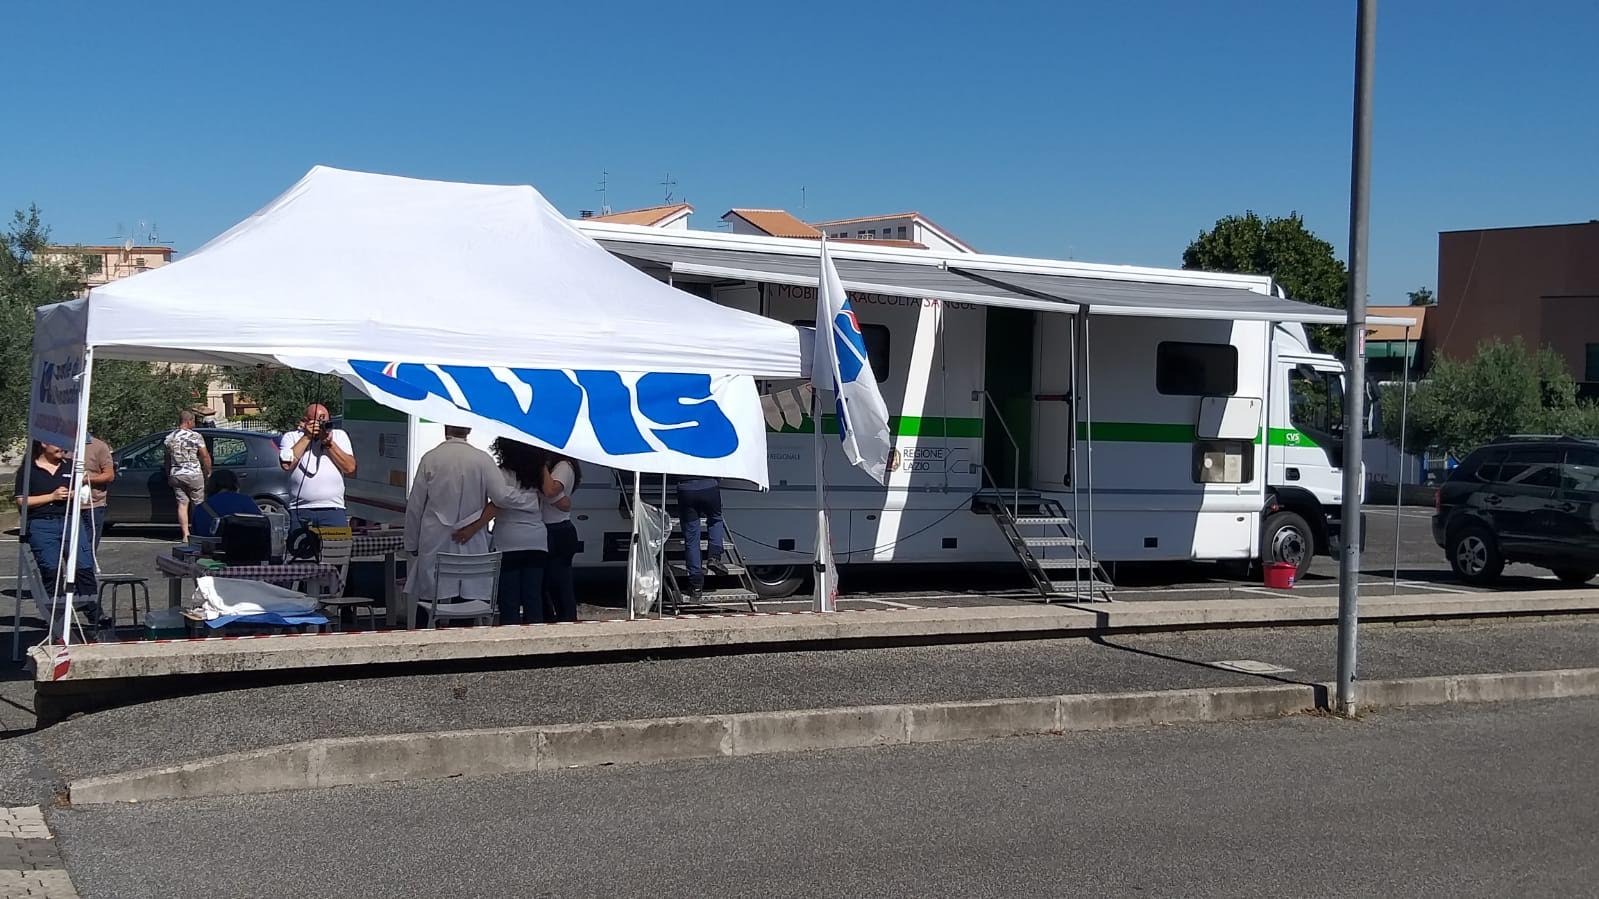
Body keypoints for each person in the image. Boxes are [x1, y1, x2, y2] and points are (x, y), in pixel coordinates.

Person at [404, 426, 514, 623]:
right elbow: (502, 498)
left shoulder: (431, 458)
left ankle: (422, 640)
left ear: (446, 428)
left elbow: (415, 505)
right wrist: (476, 525)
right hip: (471, 541)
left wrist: (411, 543)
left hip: (434, 539)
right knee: (467, 594)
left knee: (428, 594)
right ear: (470, 429)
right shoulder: (482, 459)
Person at [453, 438, 550, 625]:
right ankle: (538, 644)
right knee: (533, 597)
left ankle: (510, 644)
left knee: (509, 600)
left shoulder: (500, 473)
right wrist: (530, 501)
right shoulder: (538, 473)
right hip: (537, 540)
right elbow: (550, 492)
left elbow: (497, 504)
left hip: (508, 542)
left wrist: (473, 528)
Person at [13, 441, 97, 601]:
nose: (63, 449)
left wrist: (75, 493)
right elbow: (22, 501)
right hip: (42, 524)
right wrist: (52, 496)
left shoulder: (71, 467)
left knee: (83, 567)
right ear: (44, 444)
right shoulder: (28, 470)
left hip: (70, 521)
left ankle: (94, 612)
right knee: (51, 570)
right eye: (58, 445)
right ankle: (56, 614)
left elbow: (85, 493)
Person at [279, 403, 357, 530]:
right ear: (305, 421)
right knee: (300, 547)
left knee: (337, 548)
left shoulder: (339, 436)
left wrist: (329, 444)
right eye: (318, 422)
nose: (322, 426)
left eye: (325, 421)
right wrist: (307, 437)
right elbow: (286, 465)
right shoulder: (291, 437)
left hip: (333, 509)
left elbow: (350, 468)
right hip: (301, 510)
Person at [538, 449, 581, 623]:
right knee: (548, 583)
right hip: (554, 529)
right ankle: (558, 619)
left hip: (557, 530)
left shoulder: (563, 465)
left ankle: (566, 621)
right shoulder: (557, 466)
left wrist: (539, 464)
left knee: (559, 584)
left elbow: (550, 490)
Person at [674, 476, 729, 602]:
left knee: (691, 539)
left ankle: (696, 586)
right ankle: (714, 557)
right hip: (709, 486)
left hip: (686, 488)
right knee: (715, 520)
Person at [164, 411, 212, 543]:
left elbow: (167, 460)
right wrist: (208, 471)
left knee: (182, 504)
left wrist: (169, 474)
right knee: (198, 503)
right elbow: (205, 455)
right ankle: (198, 531)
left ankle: (185, 534)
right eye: (193, 421)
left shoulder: (169, 437)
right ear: (189, 421)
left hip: (177, 474)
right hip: (193, 473)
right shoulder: (196, 436)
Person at [191, 470, 264, 538]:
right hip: (246, 549)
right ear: (236, 484)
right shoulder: (247, 501)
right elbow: (260, 526)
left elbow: (196, 537)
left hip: (212, 549)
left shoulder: (201, 508)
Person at [81, 434, 115, 551]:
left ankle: (87, 568)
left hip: (92, 505)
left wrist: (86, 480)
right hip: (65, 505)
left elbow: (109, 475)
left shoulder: (99, 446)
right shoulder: (61, 445)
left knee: (88, 549)